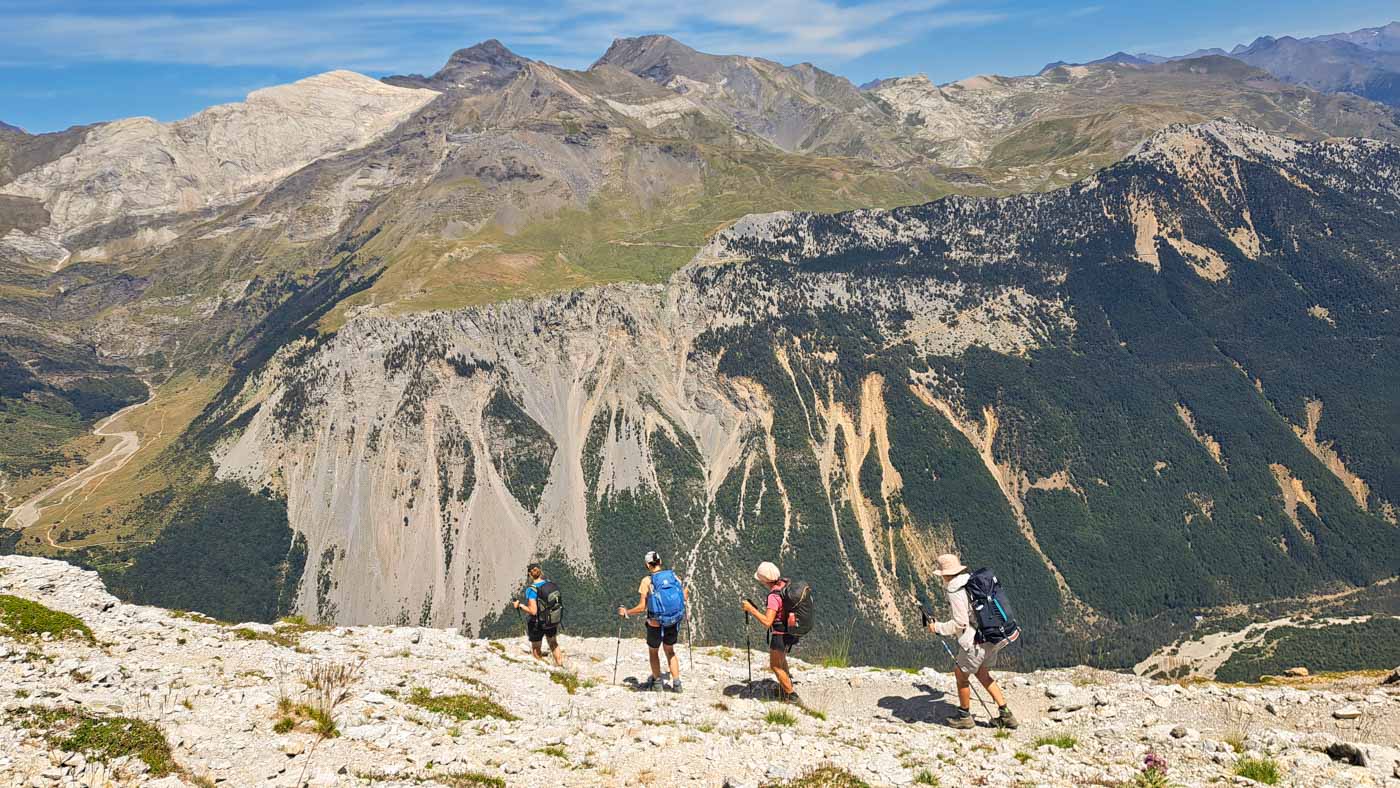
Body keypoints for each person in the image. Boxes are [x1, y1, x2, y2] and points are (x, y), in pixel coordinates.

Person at [926, 553, 1018, 729]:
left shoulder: (954, 589)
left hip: (975, 642)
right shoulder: (971, 580)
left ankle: (964, 716)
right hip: (993, 636)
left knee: (961, 675)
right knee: (982, 673)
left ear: (945, 574)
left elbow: (960, 623)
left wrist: (937, 628)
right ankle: (1005, 714)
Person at [616, 550, 689, 692]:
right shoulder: (673, 576)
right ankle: (677, 684)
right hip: (673, 621)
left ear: (647, 565)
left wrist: (627, 612)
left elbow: (642, 607)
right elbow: (683, 596)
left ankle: (657, 684)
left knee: (653, 651)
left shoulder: (647, 581)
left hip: (655, 622)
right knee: (670, 651)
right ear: (660, 562)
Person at [741, 561, 803, 705]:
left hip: (779, 634)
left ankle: (792, 696)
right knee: (782, 661)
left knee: (775, 666)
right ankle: (785, 687)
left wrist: (751, 610)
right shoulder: (785, 585)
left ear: (764, 580)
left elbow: (767, 622)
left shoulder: (773, 596)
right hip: (790, 630)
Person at [513, 563, 564, 667]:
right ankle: (560, 666)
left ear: (530, 575)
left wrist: (520, 606)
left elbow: (533, 611)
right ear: (540, 572)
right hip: (551, 619)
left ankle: (542, 669)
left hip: (537, 623)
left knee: (536, 647)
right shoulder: (549, 583)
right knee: (553, 643)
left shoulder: (531, 590)